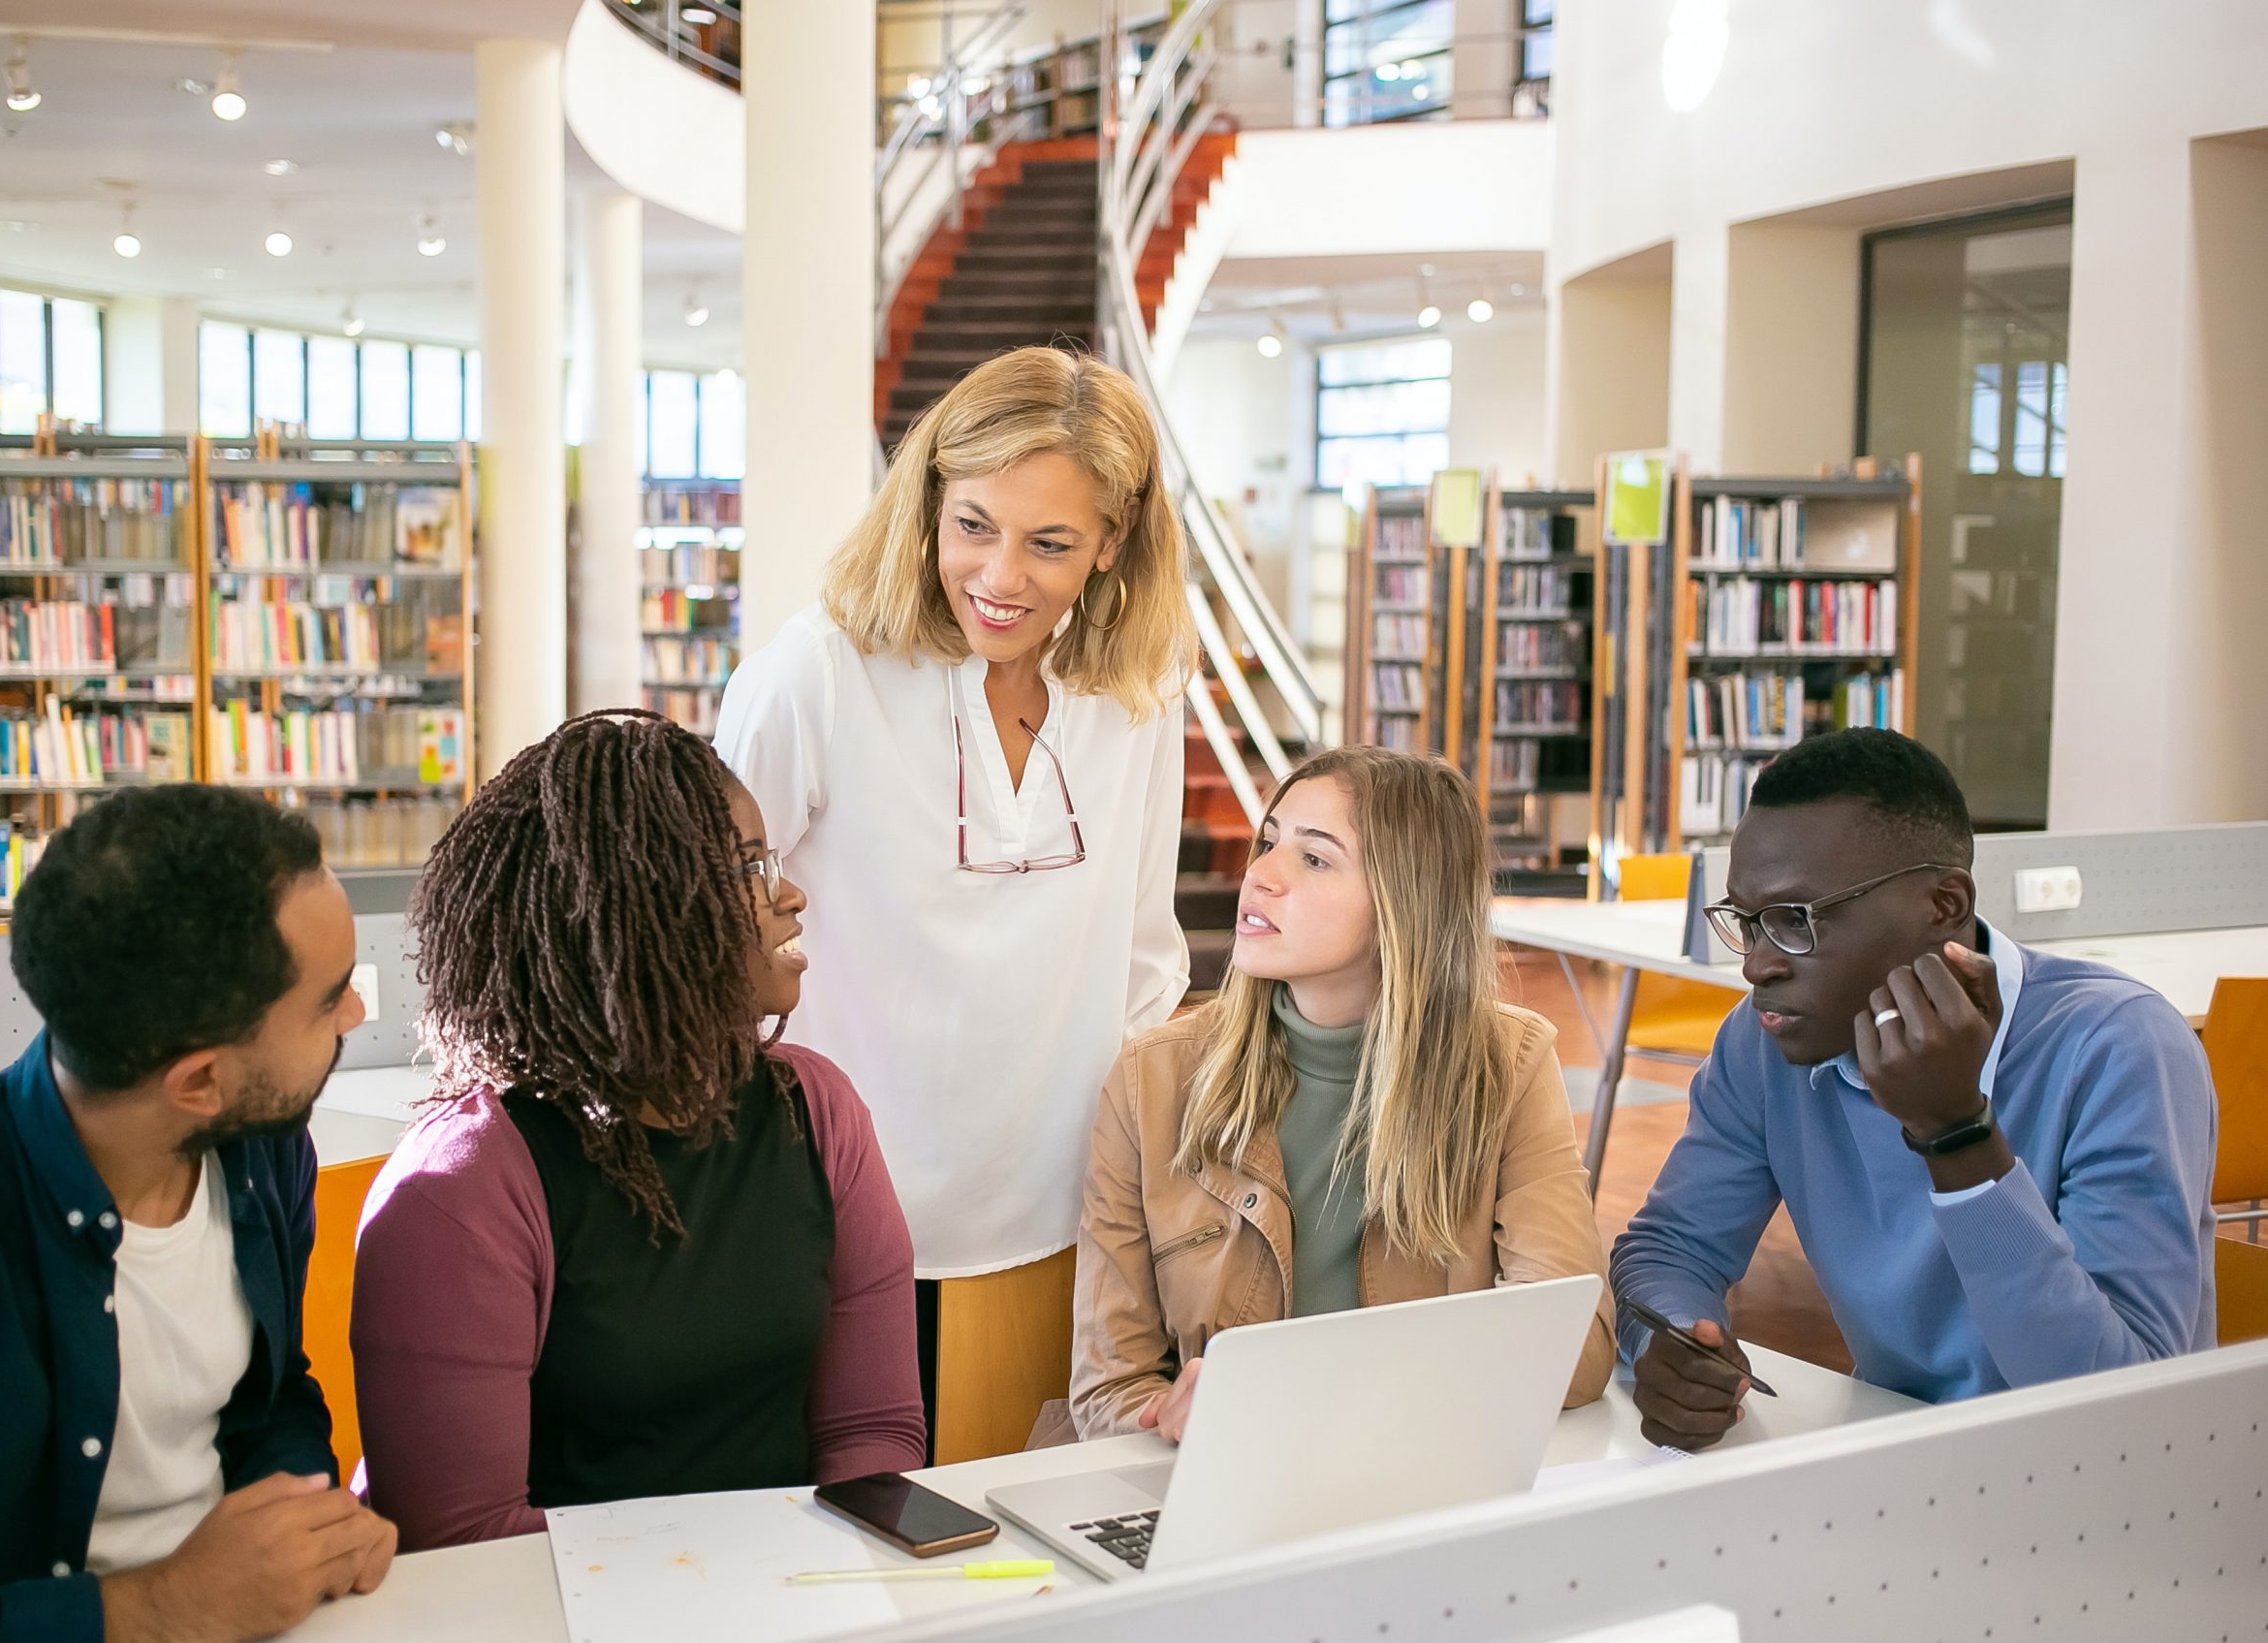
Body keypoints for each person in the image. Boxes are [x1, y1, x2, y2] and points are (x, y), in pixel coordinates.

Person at [0, 786, 394, 1643]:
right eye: (330, 998)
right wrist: (153, 1613)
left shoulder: (260, 1149)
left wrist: (301, 1519)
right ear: (197, 1082)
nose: (356, 1014)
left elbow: (272, 1392)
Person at [714, 346, 1198, 1411]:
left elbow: (1141, 947)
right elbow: (707, 936)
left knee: (1021, 1549)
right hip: (834, 1216)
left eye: (1051, 544)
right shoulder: (816, 674)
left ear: (1112, 543)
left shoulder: (1143, 687)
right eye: (973, 525)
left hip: (1065, 1211)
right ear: (929, 502)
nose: (1000, 576)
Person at [349, 712, 925, 1552]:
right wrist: (716, 1588)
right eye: (750, 868)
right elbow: (465, 1538)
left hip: (793, 1598)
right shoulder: (459, 1193)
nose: (790, 893)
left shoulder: (819, 1111)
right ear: (639, 907)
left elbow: (871, 1437)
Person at [1613, 729, 2217, 1449]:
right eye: (1748, 923)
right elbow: (1670, 1248)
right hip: (1898, 1469)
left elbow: (2123, 1417)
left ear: (1942, 904)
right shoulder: (1764, 1041)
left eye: (1795, 920)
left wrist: (1955, 1131)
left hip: (2097, 1504)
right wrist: (1672, 1341)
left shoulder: (2117, 1047)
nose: (1758, 966)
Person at [1073, 746, 1616, 1441]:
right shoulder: (1150, 1079)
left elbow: (1576, 1348)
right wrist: (1172, 1415)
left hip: (1414, 1479)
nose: (1261, 875)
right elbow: (1107, 1388)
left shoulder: (1508, 1066)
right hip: (1212, 1485)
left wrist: (1321, 1408)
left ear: (1404, 901)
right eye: (1268, 843)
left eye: (1315, 858)